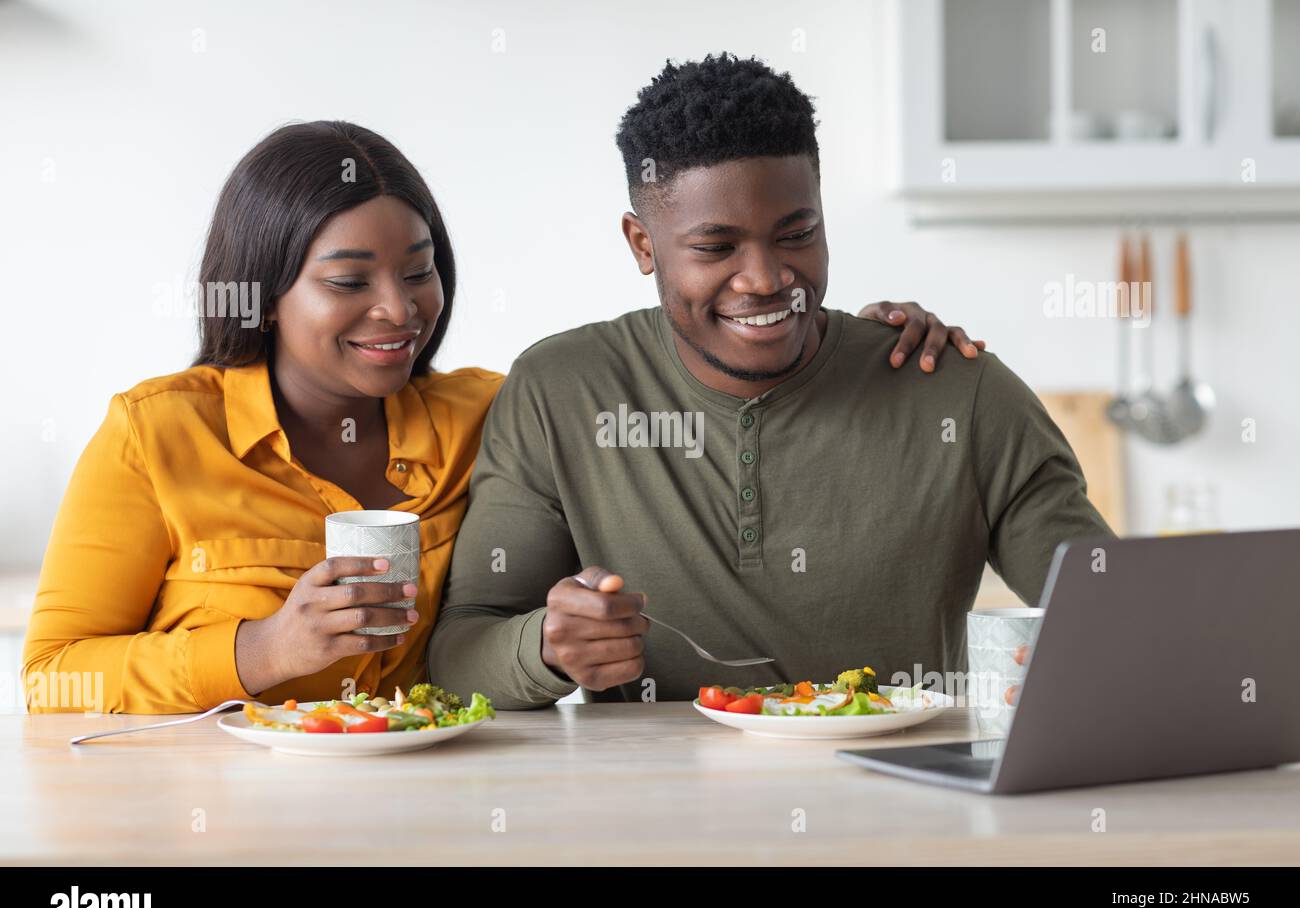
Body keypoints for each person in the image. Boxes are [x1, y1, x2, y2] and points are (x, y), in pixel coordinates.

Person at [22, 119, 972, 714]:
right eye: (350, 281)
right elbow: (52, 674)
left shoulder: (491, 411)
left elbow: (693, 374)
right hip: (225, 819)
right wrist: (262, 650)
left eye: (420, 269)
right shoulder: (158, 436)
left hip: (444, 806)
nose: (401, 308)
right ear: (264, 295)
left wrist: (858, 344)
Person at [429, 54, 1114, 708]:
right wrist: (545, 650)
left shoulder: (957, 390)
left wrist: (1074, 662)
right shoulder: (560, 391)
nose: (767, 279)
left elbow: (1117, 609)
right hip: (657, 806)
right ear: (643, 245)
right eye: (716, 247)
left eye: (796, 234)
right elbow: (461, 652)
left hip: (907, 800)